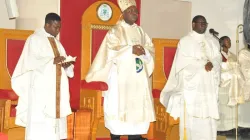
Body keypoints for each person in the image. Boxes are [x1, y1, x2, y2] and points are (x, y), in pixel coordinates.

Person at [85, 0, 155, 139]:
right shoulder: (115, 31)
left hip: (138, 76)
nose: (134, 13)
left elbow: (150, 48)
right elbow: (110, 50)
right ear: (123, 13)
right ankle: (115, 136)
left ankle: (135, 136)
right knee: (118, 111)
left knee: (137, 113)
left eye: (136, 11)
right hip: (120, 77)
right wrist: (130, 50)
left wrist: (145, 52)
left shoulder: (140, 31)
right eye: (131, 10)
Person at [11, 13, 74, 140]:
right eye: (56, 27)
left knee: (55, 128)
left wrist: (67, 64)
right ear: (47, 24)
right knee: (40, 123)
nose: (58, 30)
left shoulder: (57, 43)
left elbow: (65, 66)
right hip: (41, 89)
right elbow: (30, 61)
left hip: (56, 90)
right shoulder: (34, 39)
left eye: (59, 27)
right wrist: (52, 60)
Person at [160, 15, 221, 140]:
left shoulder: (212, 42)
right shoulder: (185, 41)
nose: (203, 25)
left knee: (208, 122)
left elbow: (217, 57)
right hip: (193, 85)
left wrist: (213, 64)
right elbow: (182, 63)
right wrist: (202, 65)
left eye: (205, 23)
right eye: (200, 23)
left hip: (208, 86)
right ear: (193, 24)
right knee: (193, 121)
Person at [217, 36, 244, 134]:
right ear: (222, 43)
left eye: (230, 40)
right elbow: (219, 69)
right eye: (227, 40)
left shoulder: (233, 56)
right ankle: (220, 129)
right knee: (222, 107)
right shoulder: (218, 55)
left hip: (232, 85)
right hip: (222, 85)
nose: (229, 42)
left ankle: (231, 127)